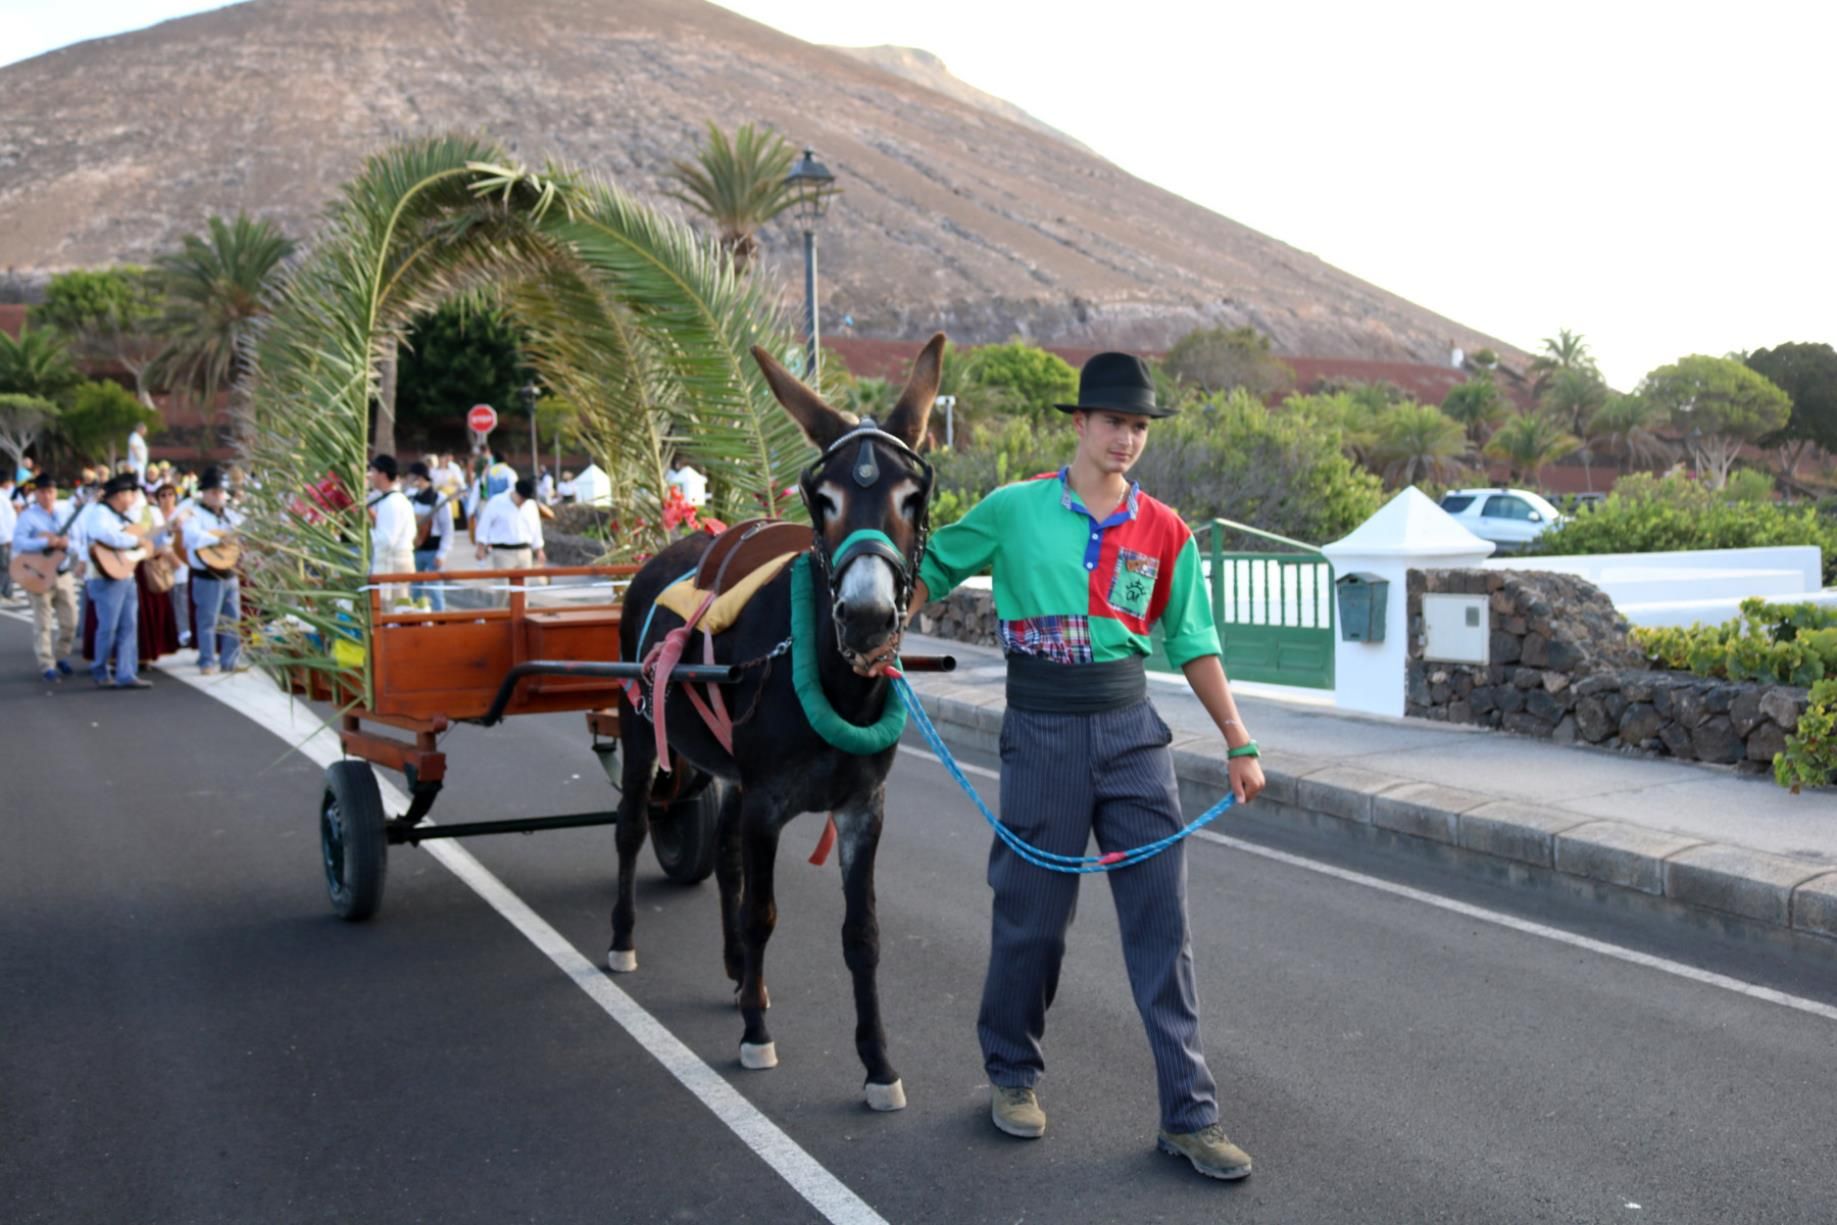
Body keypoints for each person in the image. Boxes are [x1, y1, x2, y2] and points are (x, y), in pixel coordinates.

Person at [901, 352, 1267, 1182]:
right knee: (1031, 915)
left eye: (1137, 426)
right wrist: (879, 632)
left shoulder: (1164, 529)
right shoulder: (1013, 509)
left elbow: (1194, 641)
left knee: (1161, 927)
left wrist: (1238, 741)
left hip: (1133, 732)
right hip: (1042, 731)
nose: (1126, 438)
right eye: (1112, 422)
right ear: (1078, 423)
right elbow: (926, 569)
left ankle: (1189, 1114)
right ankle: (1012, 1074)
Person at [72, 472, 152, 689]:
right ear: (119, 495)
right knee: (108, 627)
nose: (132, 498)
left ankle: (126, 673)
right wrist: (135, 540)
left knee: (129, 625)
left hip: (125, 576)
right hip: (104, 578)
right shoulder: (99, 513)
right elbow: (104, 536)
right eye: (129, 494)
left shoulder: (121, 517)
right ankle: (100, 670)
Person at [13, 474, 81, 682]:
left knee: (70, 620)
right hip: (38, 574)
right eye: (43, 492)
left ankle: (61, 655)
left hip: (62, 573)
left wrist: (66, 544)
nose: (47, 496)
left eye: (51, 491)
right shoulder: (28, 516)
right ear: (36, 493)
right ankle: (46, 665)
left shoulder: (64, 514)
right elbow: (19, 542)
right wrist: (45, 543)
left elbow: (78, 542)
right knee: (42, 622)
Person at [183, 467, 244, 674]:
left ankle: (230, 661)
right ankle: (206, 661)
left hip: (229, 571)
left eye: (220, 491)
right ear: (205, 493)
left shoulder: (230, 513)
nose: (219, 495)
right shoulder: (194, 512)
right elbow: (191, 537)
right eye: (214, 492)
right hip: (207, 574)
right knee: (208, 620)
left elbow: (240, 531)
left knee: (232, 619)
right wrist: (218, 538)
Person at [472, 475, 545, 601]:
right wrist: (480, 546)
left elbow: (535, 528)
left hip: (524, 550)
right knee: (503, 590)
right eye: (522, 498)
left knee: (523, 591)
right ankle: (500, 617)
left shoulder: (530, 505)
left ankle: (520, 619)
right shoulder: (497, 501)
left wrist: (539, 549)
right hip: (503, 551)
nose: (523, 501)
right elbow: (484, 524)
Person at [366, 454, 416, 605]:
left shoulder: (392, 502)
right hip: (397, 563)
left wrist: (363, 536)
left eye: (373, 472)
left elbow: (387, 540)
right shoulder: (392, 499)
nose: (370, 476)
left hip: (395, 565)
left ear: (383, 474)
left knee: (395, 610)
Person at [407, 460, 454, 612]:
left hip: (434, 549)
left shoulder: (439, 498)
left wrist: (443, 553)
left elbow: (447, 528)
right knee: (415, 589)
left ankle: (440, 620)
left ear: (420, 477)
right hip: (415, 548)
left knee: (435, 590)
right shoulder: (411, 497)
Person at [154, 483, 194, 646]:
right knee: (165, 598)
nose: (167, 498)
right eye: (163, 495)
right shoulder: (155, 516)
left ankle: (184, 631)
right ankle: (168, 634)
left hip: (180, 560)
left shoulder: (181, 514)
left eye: (170, 494)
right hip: (161, 561)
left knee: (181, 596)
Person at [0, 472, 17, 603]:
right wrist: (7, 539)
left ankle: (7, 592)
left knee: (6, 566)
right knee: (4, 566)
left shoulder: (4, 497)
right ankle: (4, 592)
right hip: (4, 539)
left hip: (6, 538)